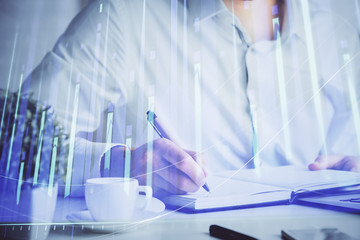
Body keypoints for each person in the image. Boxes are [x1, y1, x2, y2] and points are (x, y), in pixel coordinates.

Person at [22, 0, 360, 197]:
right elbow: (15, 141)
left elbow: (350, 150)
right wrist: (121, 167)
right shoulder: (125, 16)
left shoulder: (338, 26)